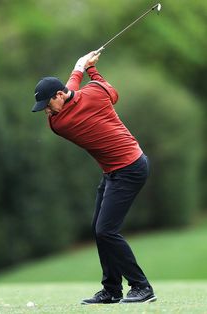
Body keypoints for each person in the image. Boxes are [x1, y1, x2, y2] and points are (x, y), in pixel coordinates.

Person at [32, 51, 157, 304]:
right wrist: (89, 69)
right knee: (99, 229)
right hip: (116, 169)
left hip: (130, 168)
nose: (47, 111)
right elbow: (106, 91)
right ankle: (112, 290)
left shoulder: (60, 121)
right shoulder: (91, 96)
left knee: (106, 230)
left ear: (59, 96)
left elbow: (70, 91)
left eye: (47, 104)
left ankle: (142, 287)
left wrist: (80, 67)